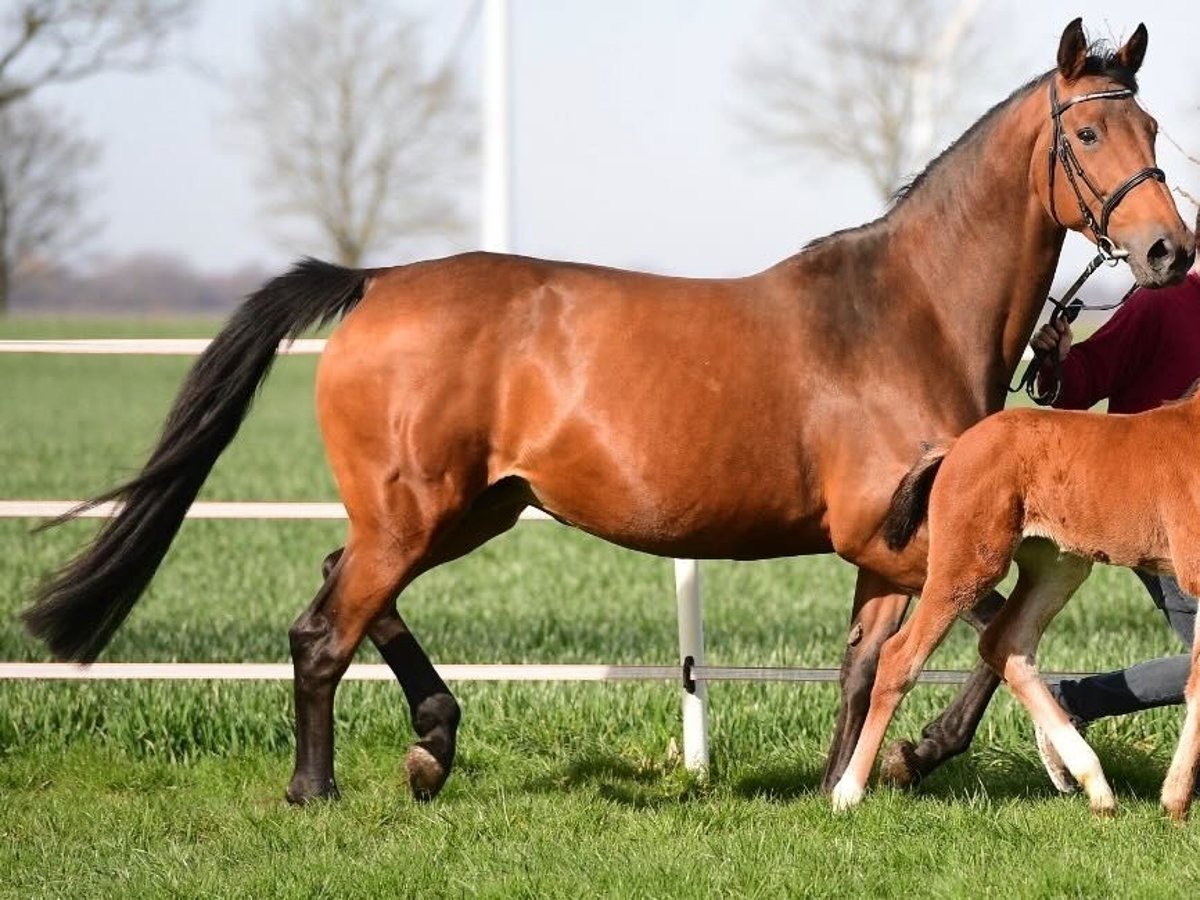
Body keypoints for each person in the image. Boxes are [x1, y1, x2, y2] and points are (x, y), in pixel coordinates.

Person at [1027, 237, 1200, 793]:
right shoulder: (1160, 306)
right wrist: (1055, 361)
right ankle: (1072, 701)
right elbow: (1082, 384)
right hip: (1154, 514)